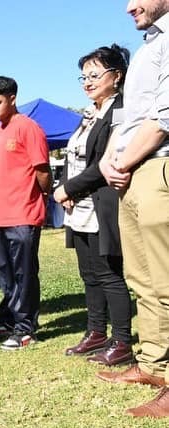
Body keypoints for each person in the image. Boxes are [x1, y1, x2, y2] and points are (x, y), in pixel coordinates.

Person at [95, 0, 169, 418]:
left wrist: (123, 161)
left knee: (166, 280)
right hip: (133, 172)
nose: (128, 6)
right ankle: (155, 366)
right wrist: (109, 158)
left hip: (158, 167)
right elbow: (127, 117)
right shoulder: (148, 45)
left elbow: (164, 119)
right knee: (142, 278)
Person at [53, 45, 134, 366]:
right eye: (83, 76)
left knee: (109, 273)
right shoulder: (90, 113)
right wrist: (69, 189)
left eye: (95, 75)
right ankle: (96, 332)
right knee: (89, 273)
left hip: (104, 202)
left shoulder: (122, 110)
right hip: (80, 204)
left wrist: (67, 188)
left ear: (117, 76)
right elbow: (75, 157)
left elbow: (106, 160)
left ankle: (123, 340)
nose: (87, 82)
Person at [0, 76, 52, 350]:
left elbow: (42, 170)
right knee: (5, 273)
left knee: (24, 273)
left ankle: (25, 328)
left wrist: (43, 195)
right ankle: (9, 319)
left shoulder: (29, 128)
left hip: (24, 214)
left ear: (12, 98)